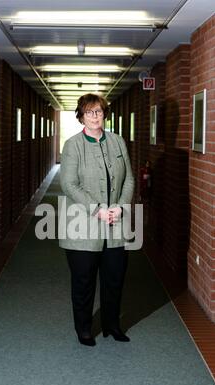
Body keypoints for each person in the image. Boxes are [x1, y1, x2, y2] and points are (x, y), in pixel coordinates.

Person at [59, 93, 134, 346]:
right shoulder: (73, 145)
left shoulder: (118, 142)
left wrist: (121, 208)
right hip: (83, 226)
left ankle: (113, 325)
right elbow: (69, 184)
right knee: (84, 282)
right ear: (81, 115)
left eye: (99, 111)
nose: (94, 116)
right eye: (89, 112)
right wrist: (98, 209)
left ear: (104, 114)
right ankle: (84, 329)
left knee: (114, 279)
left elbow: (129, 179)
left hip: (116, 225)